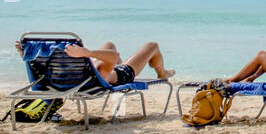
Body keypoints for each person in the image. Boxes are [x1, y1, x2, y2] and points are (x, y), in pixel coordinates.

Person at [15, 37, 174, 85]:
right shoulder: (97, 69)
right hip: (120, 75)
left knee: (109, 44)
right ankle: (162, 72)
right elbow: (113, 55)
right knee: (152, 46)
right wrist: (87, 52)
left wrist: (25, 52)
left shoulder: (57, 74)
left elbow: (111, 54)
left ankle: (123, 62)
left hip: (83, 80)